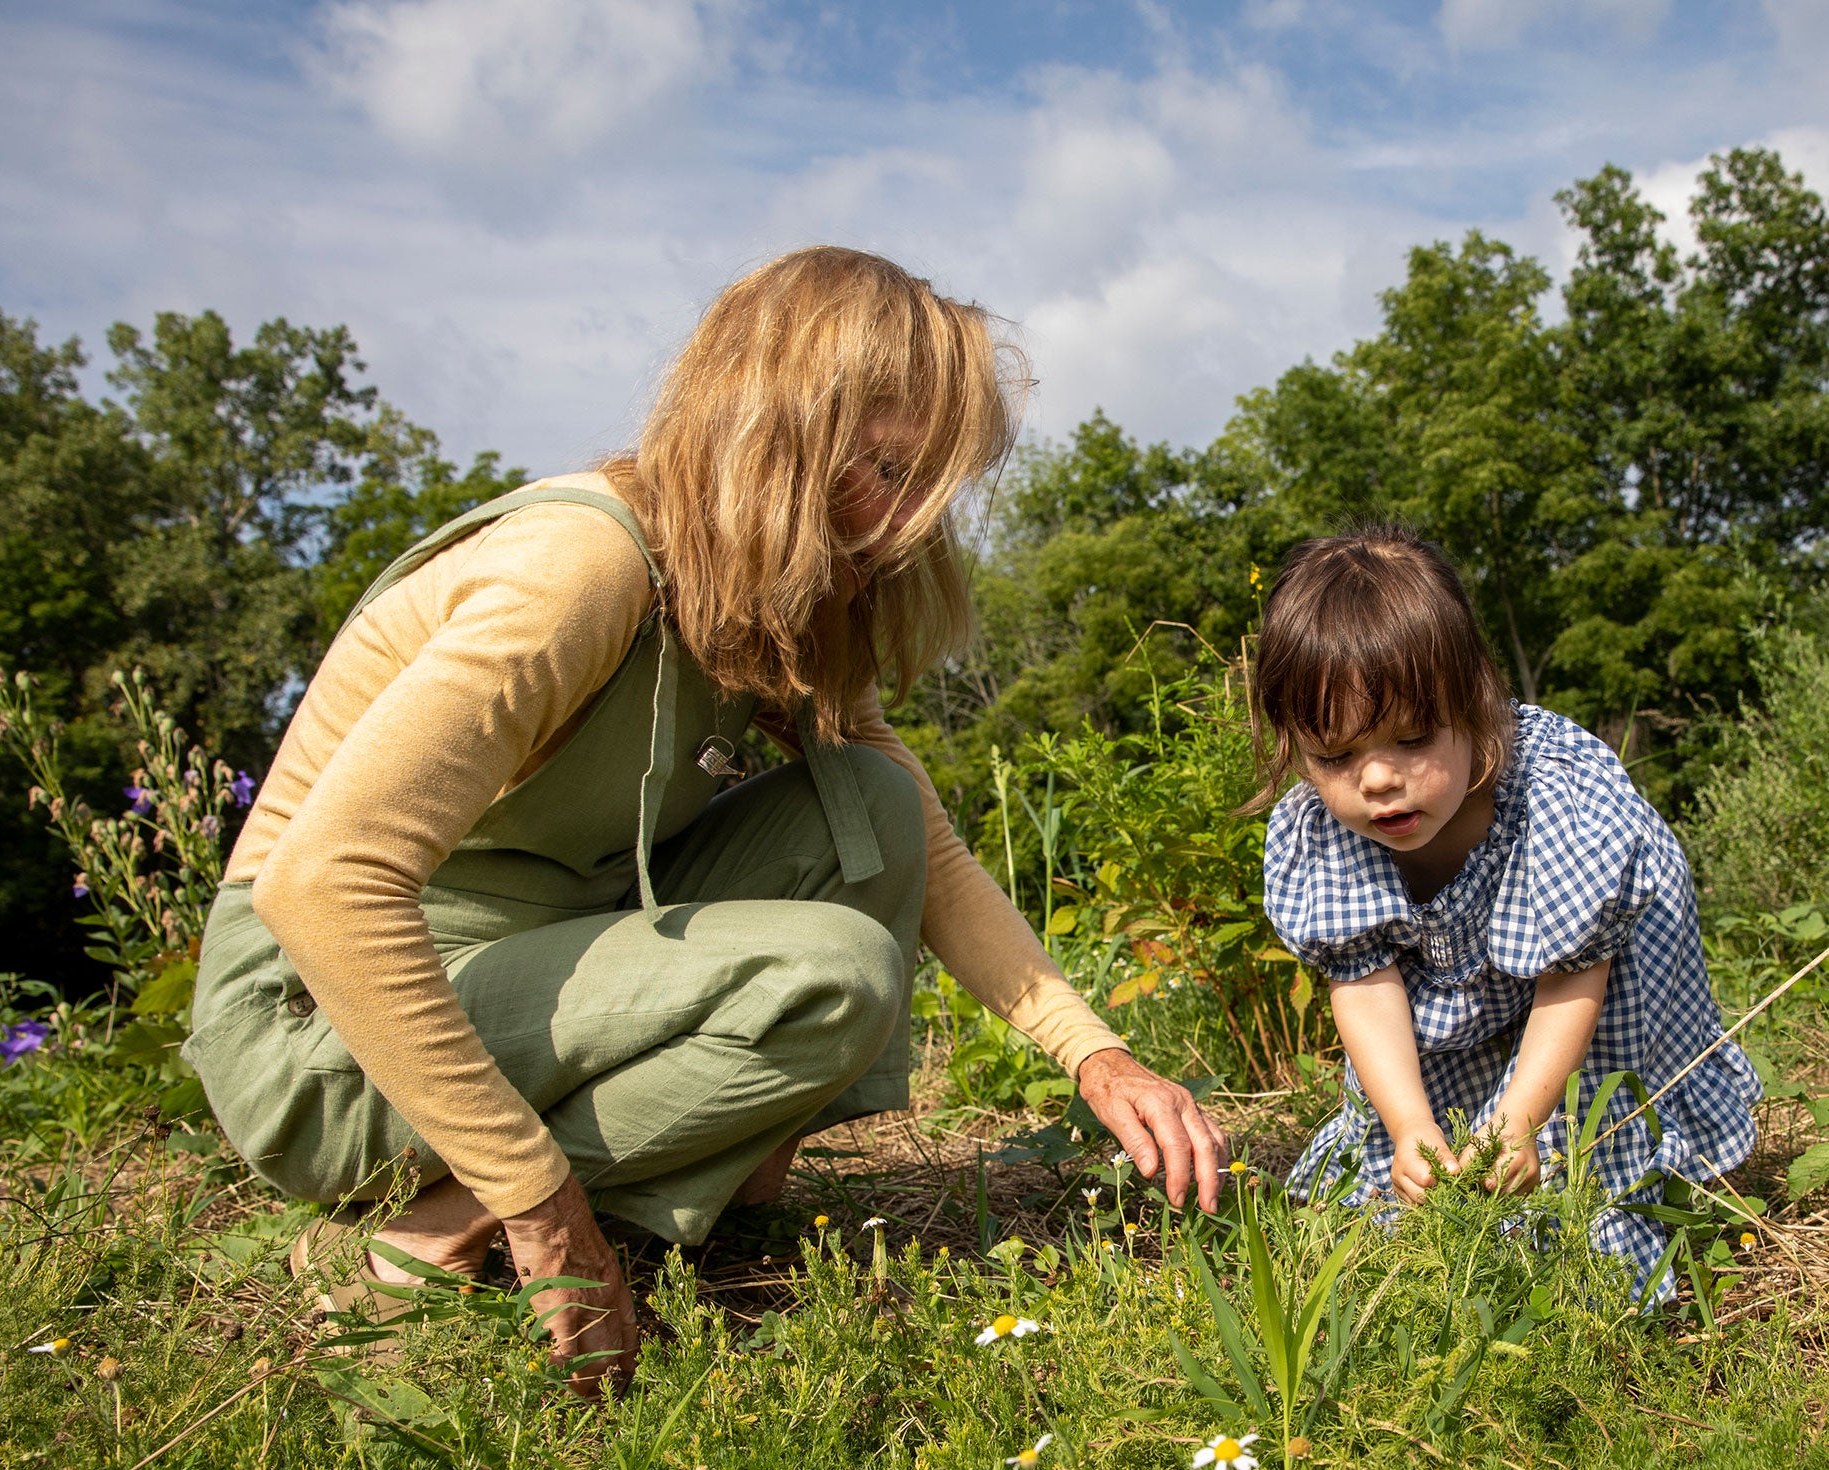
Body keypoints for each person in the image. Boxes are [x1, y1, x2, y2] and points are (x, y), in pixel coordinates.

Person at [184, 248, 1228, 1396]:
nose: (901, 527)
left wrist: (1096, 1055)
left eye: (927, 483)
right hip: (320, 1032)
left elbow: (909, 838)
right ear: (778, 430)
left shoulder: (781, 592)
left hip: (534, 951)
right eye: (885, 468)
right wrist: (530, 1195)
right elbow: (322, 885)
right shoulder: (576, 569)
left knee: (868, 801)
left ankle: (688, 1197)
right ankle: (446, 1227)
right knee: (828, 972)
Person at [1249, 527, 1757, 1302]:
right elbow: (1365, 985)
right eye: (1335, 756)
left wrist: (1521, 1119)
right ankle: (1442, 1164)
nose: (1379, 779)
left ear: (1474, 707)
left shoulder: (1557, 811)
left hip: (1597, 977)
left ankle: (1609, 1208)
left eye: (1413, 739)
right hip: (1472, 971)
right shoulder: (1323, 832)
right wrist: (1409, 1122)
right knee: (1409, 1134)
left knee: (1582, 1109)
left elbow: (1572, 978)